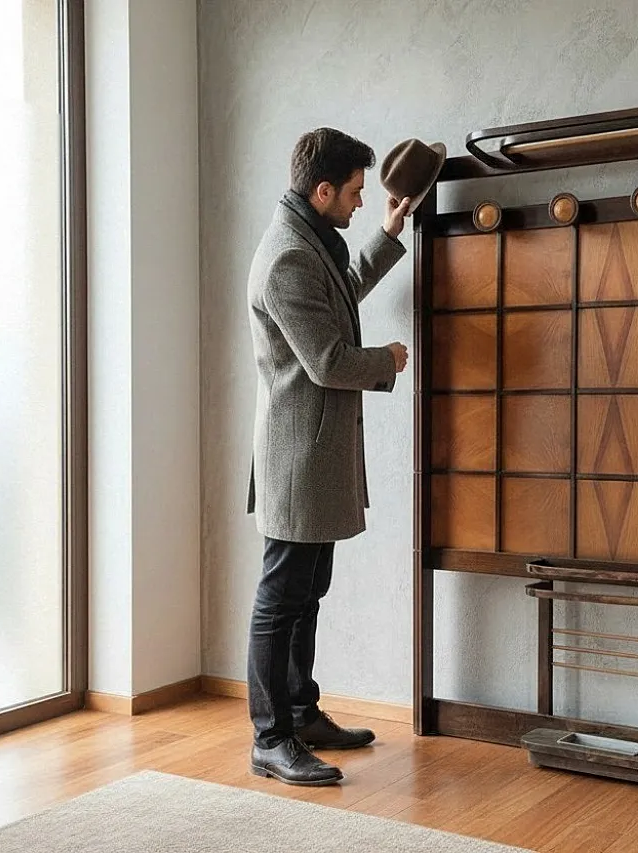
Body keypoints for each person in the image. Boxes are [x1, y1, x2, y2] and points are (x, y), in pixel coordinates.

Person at [243, 128, 442, 786]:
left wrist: (387, 230)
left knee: (306, 593)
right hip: (297, 460)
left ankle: (301, 712)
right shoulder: (286, 259)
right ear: (321, 190)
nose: (360, 201)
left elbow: (339, 296)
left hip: (318, 455)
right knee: (281, 598)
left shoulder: (310, 243)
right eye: (356, 193)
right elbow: (328, 361)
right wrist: (386, 361)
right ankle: (270, 738)